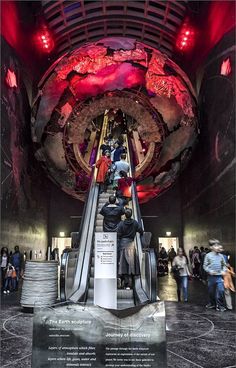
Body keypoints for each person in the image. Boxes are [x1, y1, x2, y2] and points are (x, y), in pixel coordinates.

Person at [117, 208, 143, 289]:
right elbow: (141, 231)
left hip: (123, 245)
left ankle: (124, 281)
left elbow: (118, 234)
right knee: (131, 264)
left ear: (125, 215)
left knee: (123, 264)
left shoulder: (121, 223)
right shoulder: (135, 223)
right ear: (131, 215)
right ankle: (130, 284)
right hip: (131, 244)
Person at [203, 239, 227, 311]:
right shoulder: (208, 256)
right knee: (211, 292)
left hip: (219, 277)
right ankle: (212, 304)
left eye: (218, 245)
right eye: (216, 245)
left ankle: (220, 306)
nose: (218, 247)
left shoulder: (221, 256)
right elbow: (205, 266)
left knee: (221, 291)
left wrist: (223, 271)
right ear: (211, 247)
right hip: (211, 277)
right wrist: (209, 271)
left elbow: (224, 266)